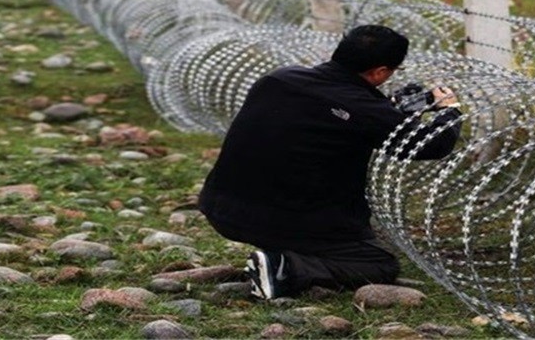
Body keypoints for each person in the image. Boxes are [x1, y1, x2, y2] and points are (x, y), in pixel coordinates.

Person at [198, 24, 463, 300]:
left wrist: (387, 107)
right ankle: (284, 268)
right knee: (379, 264)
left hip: (221, 208)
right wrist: (449, 110)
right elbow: (433, 144)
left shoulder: (278, 79)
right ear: (380, 72)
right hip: (281, 219)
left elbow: (330, 113)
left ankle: (283, 250)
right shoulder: (365, 110)